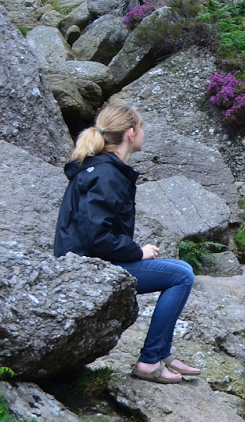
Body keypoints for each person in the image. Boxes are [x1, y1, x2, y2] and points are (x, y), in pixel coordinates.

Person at [54, 104, 201, 384]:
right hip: (88, 269)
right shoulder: (107, 174)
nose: (144, 133)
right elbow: (95, 235)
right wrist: (137, 251)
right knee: (181, 276)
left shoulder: (100, 169)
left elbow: (95, 230)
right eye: (141, 128)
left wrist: (134, 251)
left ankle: (162, 353)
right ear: (131, 134)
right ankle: (149, 360)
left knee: (181, 268)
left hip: (88, 261)